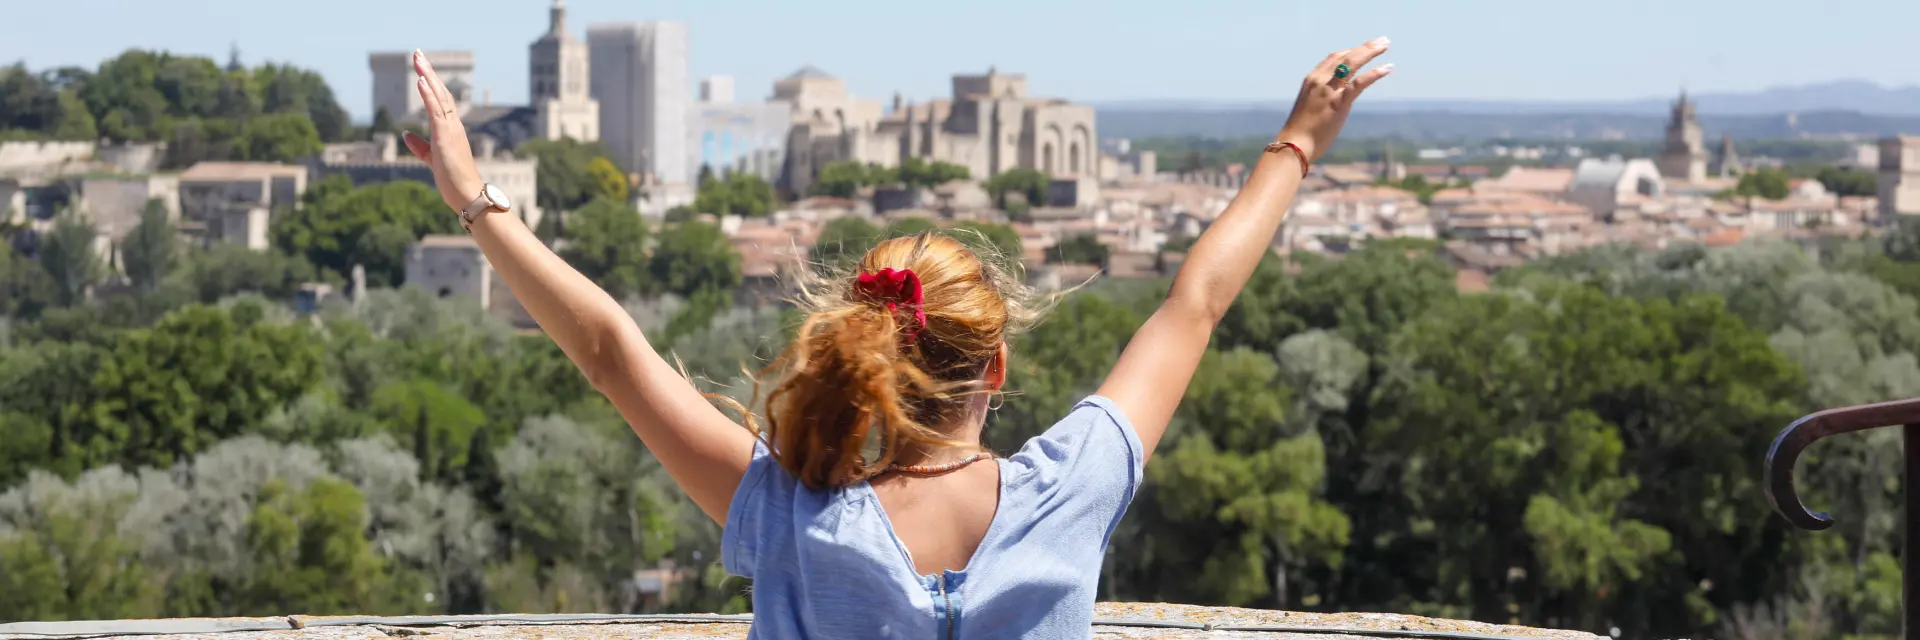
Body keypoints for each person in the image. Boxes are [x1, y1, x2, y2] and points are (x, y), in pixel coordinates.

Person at [400, 36, 1392, 639]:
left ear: (867, 353)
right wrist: (1298, 139)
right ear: (995, 365)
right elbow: (1195, 303)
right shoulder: (1072, 489)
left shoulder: (791, 521)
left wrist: (479, 202)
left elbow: (616, 357)